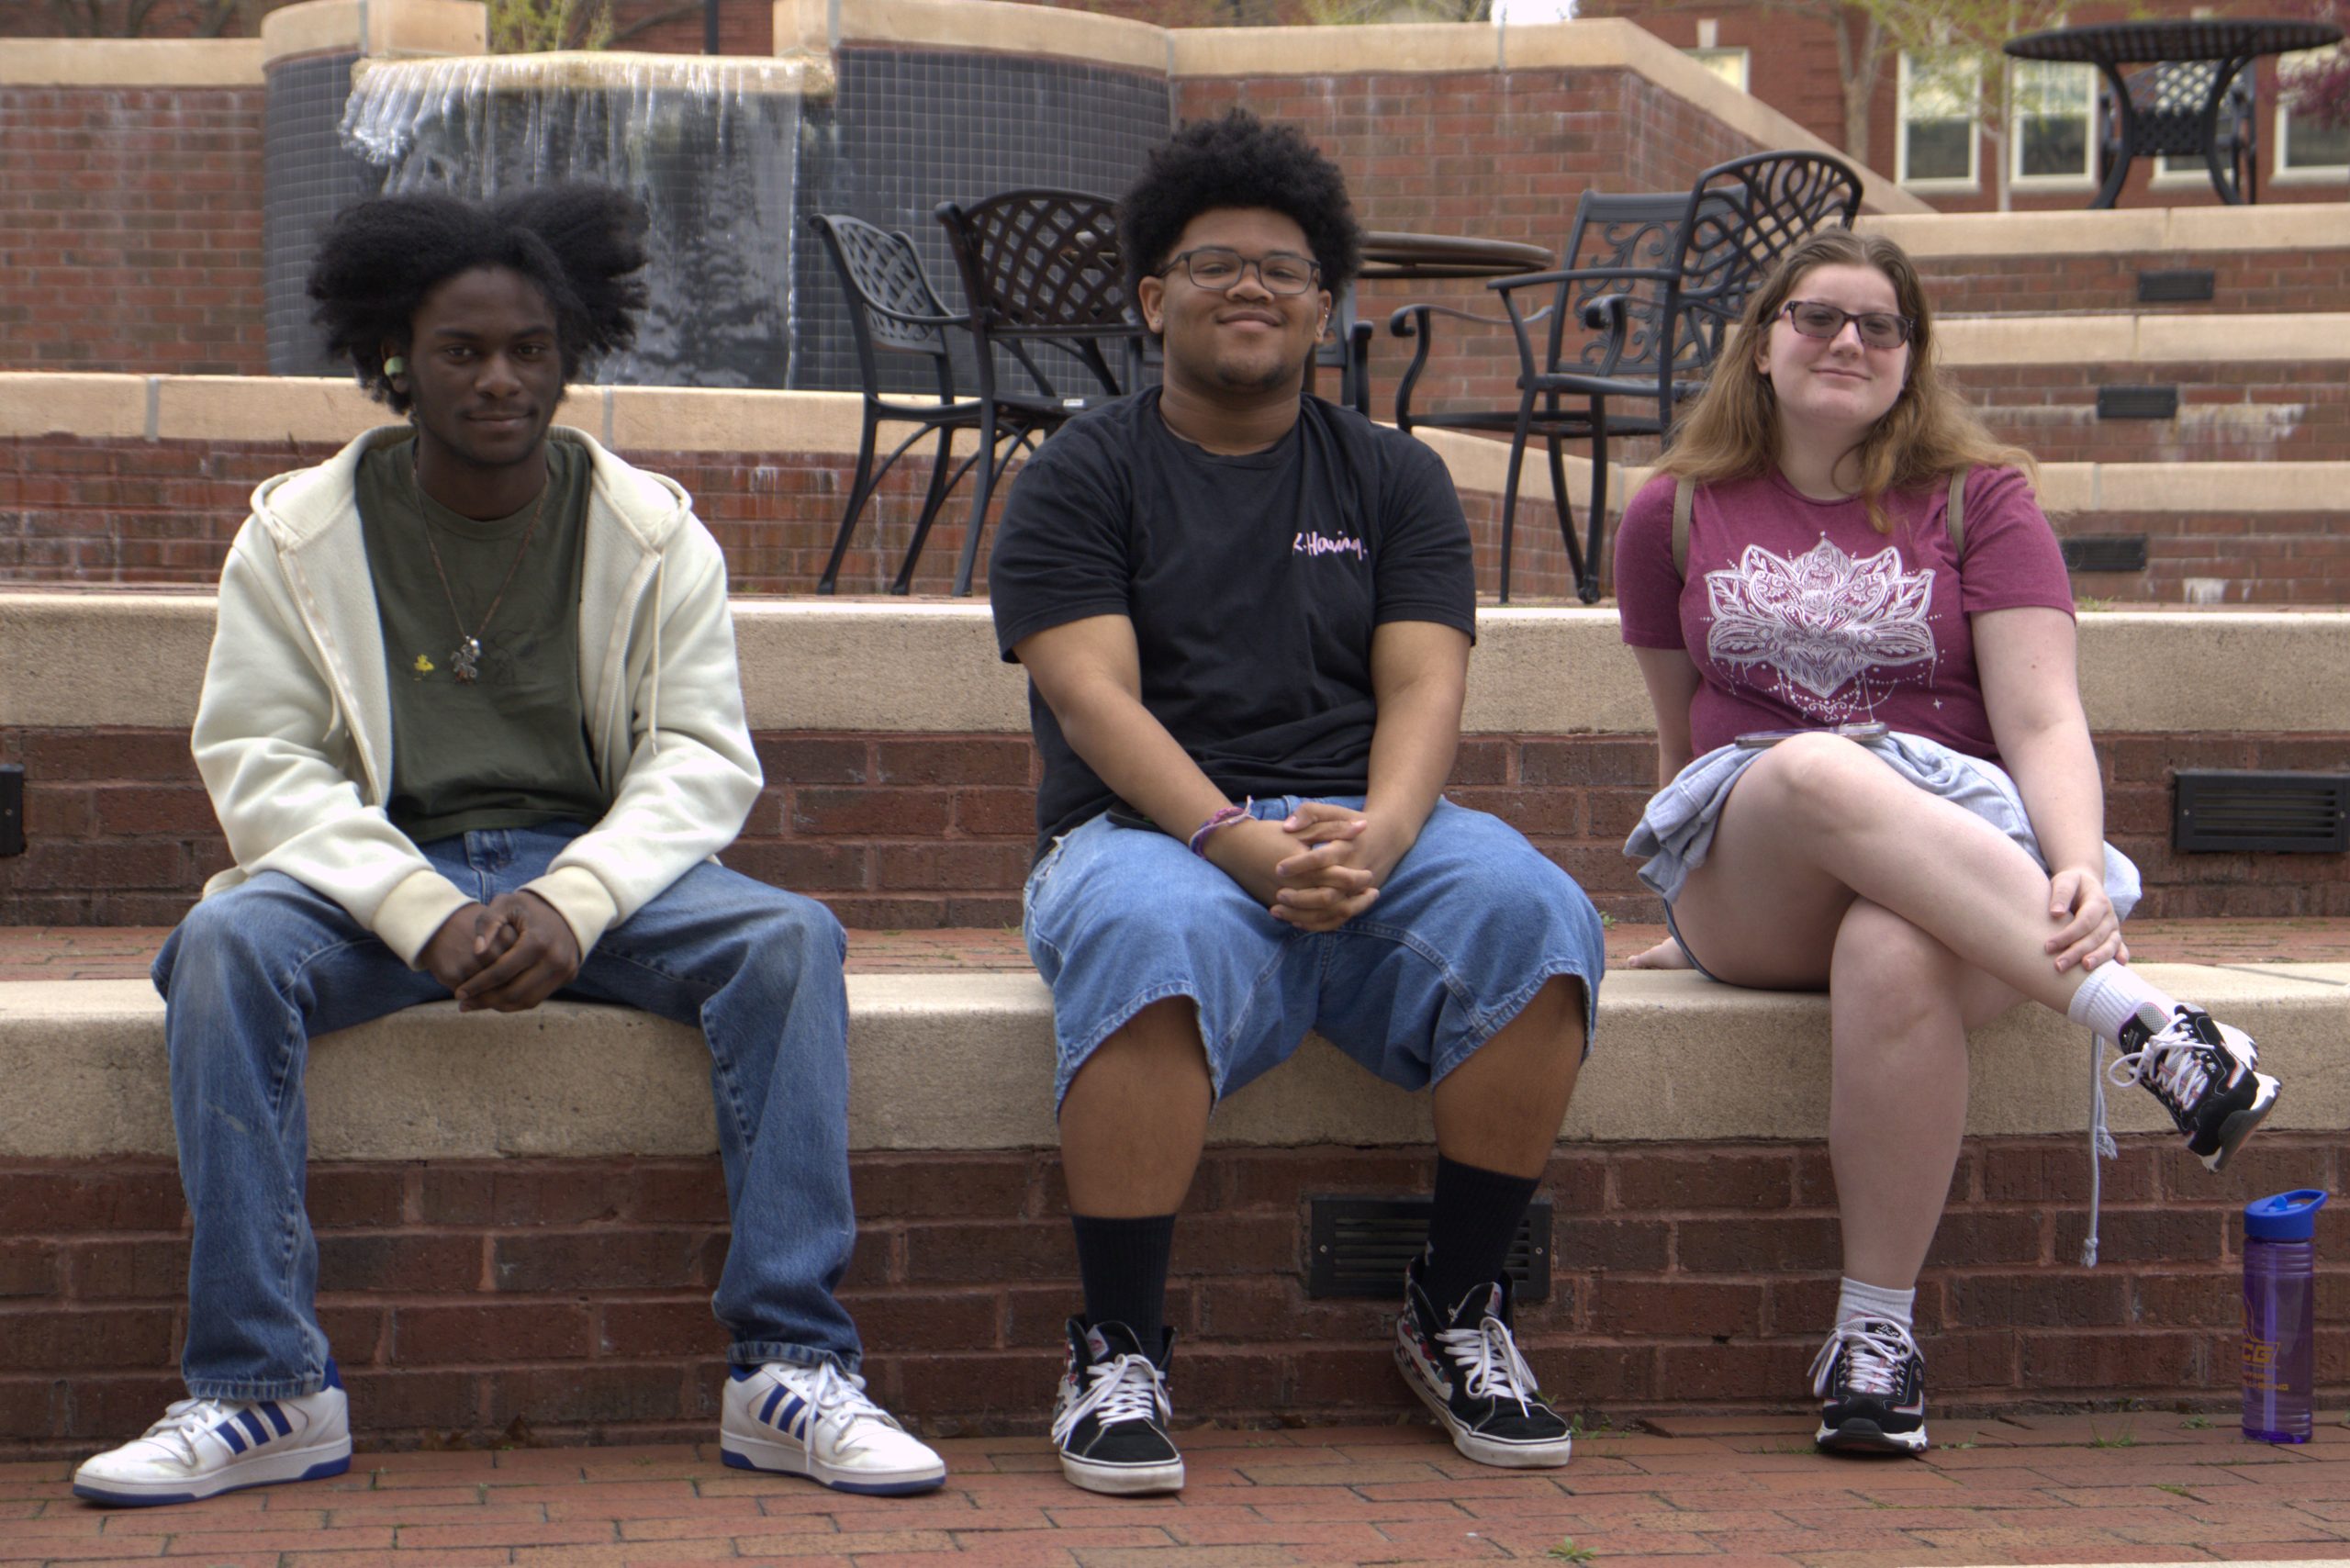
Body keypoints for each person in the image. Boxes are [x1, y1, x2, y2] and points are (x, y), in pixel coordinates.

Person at [71, 186, 944, 1506]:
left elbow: (701, 757)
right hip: (372, 882)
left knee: (787, 938)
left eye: (530, 349)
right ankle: (263, 1390)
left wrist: (577, 898)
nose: (499, 378)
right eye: (461, 351)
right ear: (395, 364)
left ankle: (790, 1370)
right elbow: (261, 759)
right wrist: (417, 904)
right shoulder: (300, 535)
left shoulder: (653, 531)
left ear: (572, 352)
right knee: (225, 946)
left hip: (584, 871)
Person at [988, 110, 1606, 1497]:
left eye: (1284, 267)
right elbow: (1095, 701)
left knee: (1537, 919)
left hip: (1361, 818)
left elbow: (1425, 691)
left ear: (1327, 307)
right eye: (1213, 264)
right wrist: (1236, 842)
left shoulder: (1394, 478)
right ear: (1154, 298)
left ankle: (1456, 1311)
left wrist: (1382, 834)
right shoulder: (1081, 472)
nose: (1250, 287)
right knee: (1148, 940)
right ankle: (1119, 1349)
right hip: (1147, 830)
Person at [1613, 228, 2281, 1459]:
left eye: (1879, 325)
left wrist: (2074, 863)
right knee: (1813, 763)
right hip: (1753, 858)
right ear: (1763, 342)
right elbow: (1679, 744)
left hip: (1954, 848)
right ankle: (2146, 1025)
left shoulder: (1982, 500)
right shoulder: (1674, 512)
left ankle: (1875, 1346)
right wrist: (1675, 922)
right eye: (1817, 317)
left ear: (1912, 359)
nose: (1847, 342)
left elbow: (2039, 714)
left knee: (1894, 953)